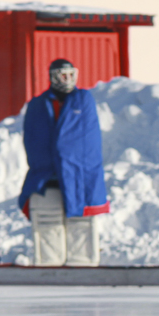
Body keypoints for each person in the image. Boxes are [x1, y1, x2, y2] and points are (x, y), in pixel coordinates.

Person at [19, 59, 108, 267]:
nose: (67, 80)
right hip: (47, 179)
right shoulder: (38, 105)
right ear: (53, 76)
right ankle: (48, 274)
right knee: (48, 230)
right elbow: (33, 141)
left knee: (81, 229)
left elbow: (88, 142)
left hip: (79, 178)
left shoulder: (83, 101)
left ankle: (83, 272)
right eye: (62, 75)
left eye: (71, 75)